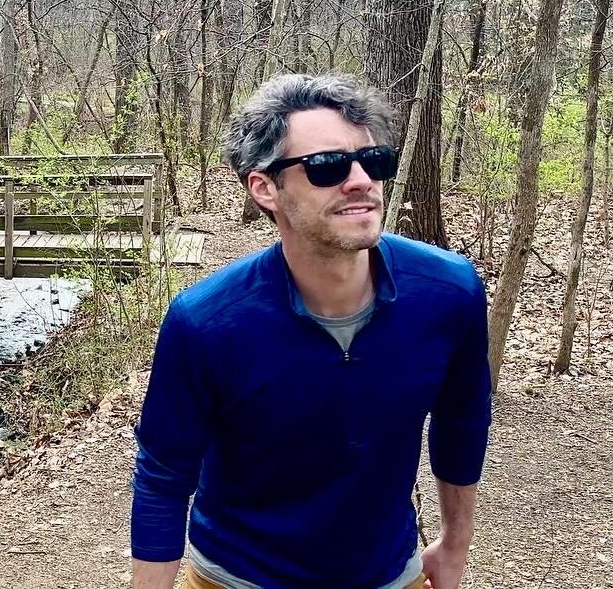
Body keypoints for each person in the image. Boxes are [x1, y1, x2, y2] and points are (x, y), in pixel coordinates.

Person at [129, 74, 492, 588]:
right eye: (327, 167)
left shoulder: (447, 292)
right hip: (236, 578)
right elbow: (164, 477)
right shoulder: (208, 321)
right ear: (265, 188)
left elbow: (463, 421)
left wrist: (455, 545)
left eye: (375, 160)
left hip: (389, 574)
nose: (360, 179)